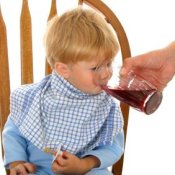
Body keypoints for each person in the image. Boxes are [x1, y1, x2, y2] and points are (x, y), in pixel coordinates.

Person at [2, 7, 124, 175]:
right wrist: (18, 162)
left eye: (109, 63)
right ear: (63, 69)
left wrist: (85, 164)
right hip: (39, 169)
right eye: (95, 67)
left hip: (84, 169)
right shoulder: (32, 98)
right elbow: (13, 133)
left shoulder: (106, 107)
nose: (106, 73)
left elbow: (113, 147)